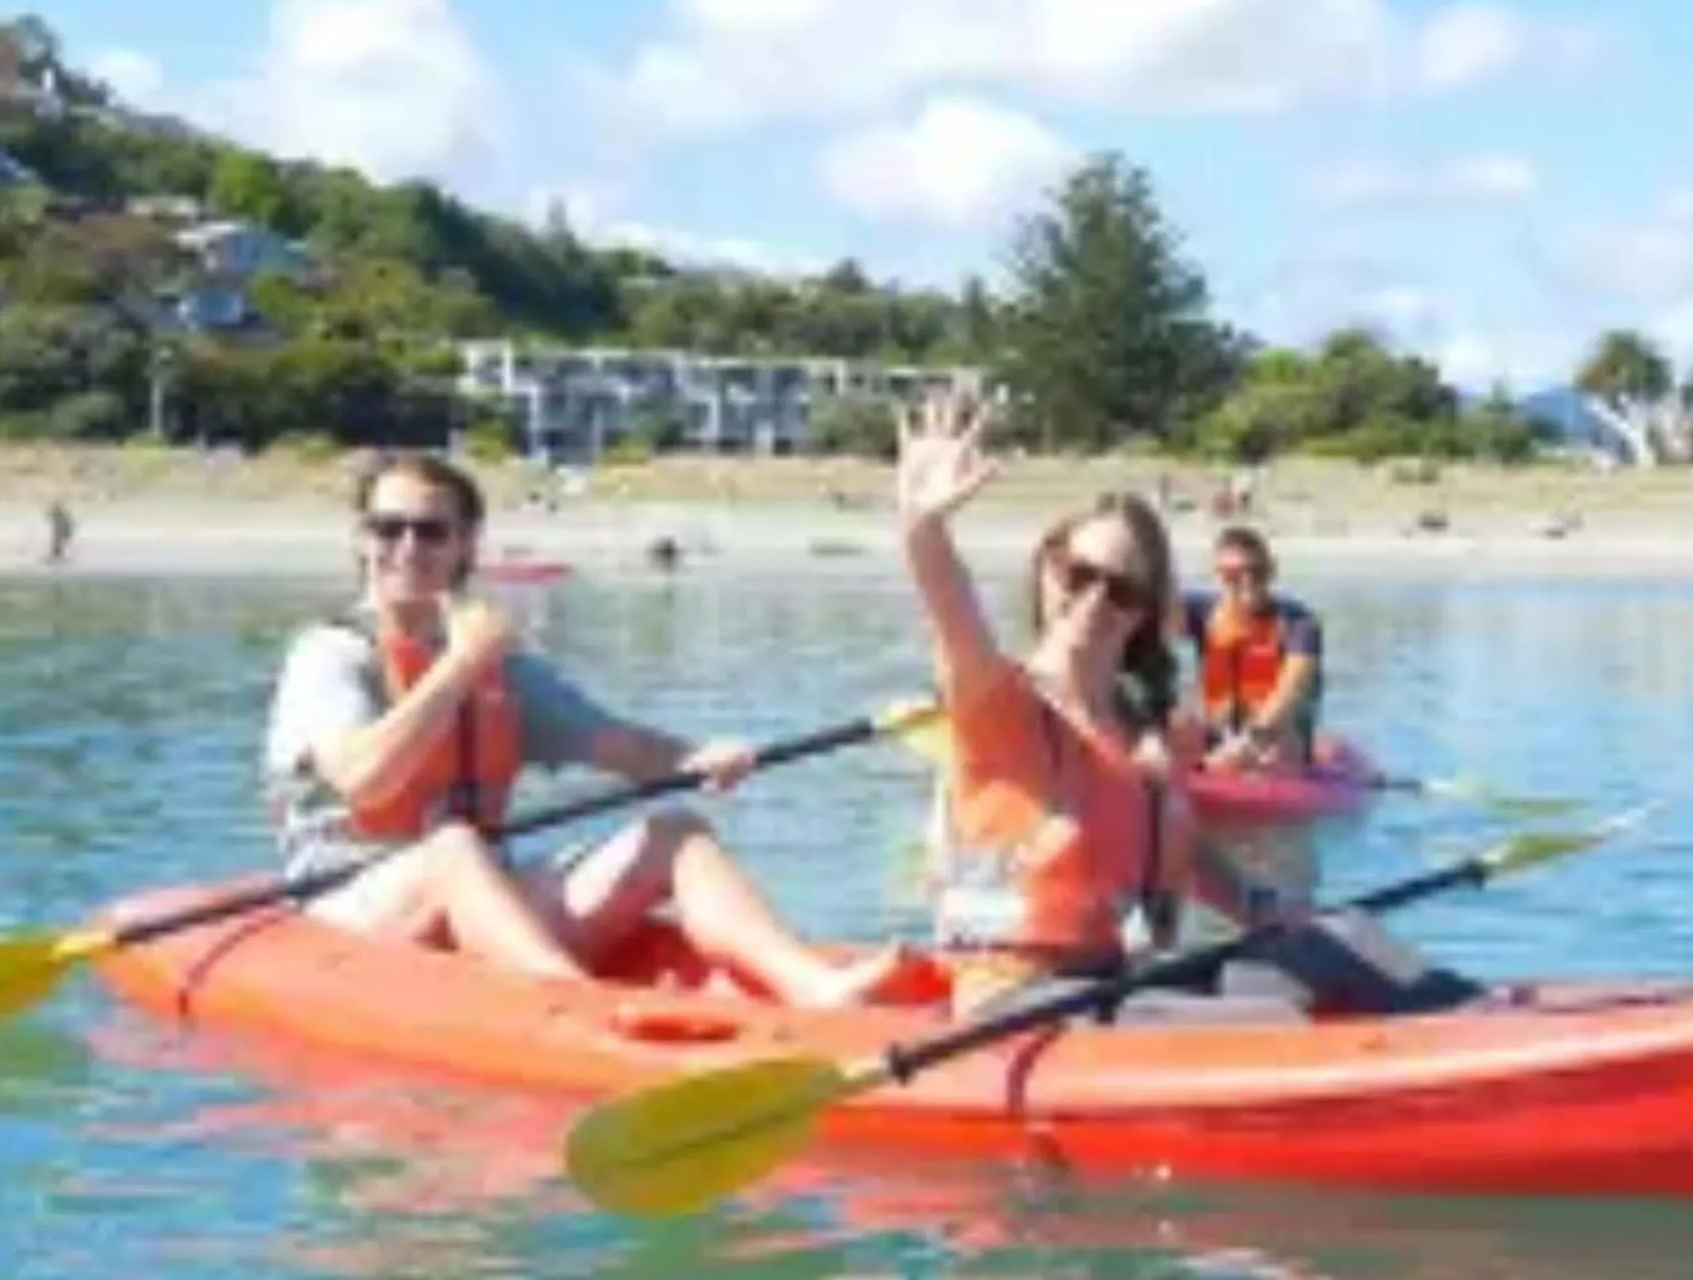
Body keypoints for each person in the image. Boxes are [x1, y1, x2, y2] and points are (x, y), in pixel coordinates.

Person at [262, 449, 911, 1002]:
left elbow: (618, 744)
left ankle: (815, 988)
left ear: (463, 545)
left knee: (675, 831)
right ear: (361, 538)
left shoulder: (502, 669)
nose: (407, 547)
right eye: (388, 527)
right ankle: (567, 1005)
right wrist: (458, 663)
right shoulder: (330, 654)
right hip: (346, 908)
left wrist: (696, 757)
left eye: (431, 532)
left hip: (483, 892)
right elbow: (364, 781)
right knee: (453, 847)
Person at [896, 391, 1280, 1016]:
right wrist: (924, 529)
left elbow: (1178, 848)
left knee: (1335, 944)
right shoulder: (996, 702)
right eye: (1079, 575)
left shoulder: (1151, 731)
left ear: (1147, 614)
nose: (1096, 601)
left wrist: (1259, 906)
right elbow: (951, 608)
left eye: (1123, 588)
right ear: (1047, 569)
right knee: (1271, 1022)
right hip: (1015, 998)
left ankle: (1479, 1019)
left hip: (1121, 981)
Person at [1176, 524, 1325, 773]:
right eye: (1232, 576)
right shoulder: (1200, 612)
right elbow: (1147, 608)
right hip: (1218, 728)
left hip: (1272, 737)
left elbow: (1289, 693)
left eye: (1257, 572)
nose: (1246, 583)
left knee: (1273, 752)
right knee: (1177, 722)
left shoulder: (1300, 623)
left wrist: (1249, 743)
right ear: (1216, 575)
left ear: (1272, 570)